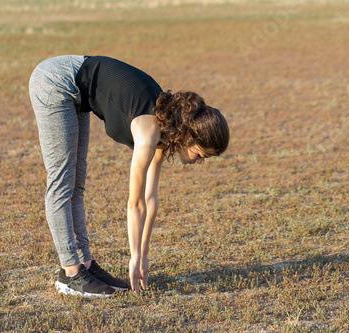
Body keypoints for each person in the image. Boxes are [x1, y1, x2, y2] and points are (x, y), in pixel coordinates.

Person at [28, 55, 229, 298]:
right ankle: (70, 274)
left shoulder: (167, 128)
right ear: (189, 136)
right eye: (201, 155)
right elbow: (135, 203)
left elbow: (150, 197)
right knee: (62, 183)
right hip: (55, 81)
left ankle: (86, 265)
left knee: (76, 184)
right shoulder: (148, 134)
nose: (200, 162)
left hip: (77, 92)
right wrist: (133, 257)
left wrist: (143, 255)